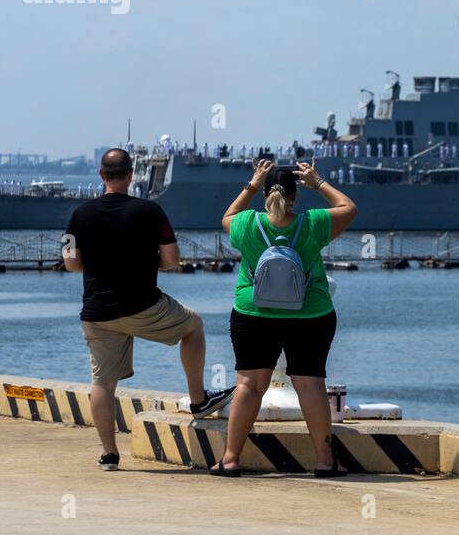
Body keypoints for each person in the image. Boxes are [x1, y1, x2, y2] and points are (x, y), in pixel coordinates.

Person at [63, 148, 234, 470]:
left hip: (97, 312)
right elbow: (172, 261)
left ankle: (109, 455)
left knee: (102, 383)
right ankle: (199, 399)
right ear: (131, 175)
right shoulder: (151, 211)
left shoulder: (79, 214)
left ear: (101, 175)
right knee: (193, 326)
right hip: (142, 305)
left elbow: (71, 263)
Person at [211, 159, 357, 477]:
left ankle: (231, 458)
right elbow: (348, 207)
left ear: (265, 193)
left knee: (249, 385)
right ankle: (324, 460)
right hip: (310, 313)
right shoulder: (314, 223)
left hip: (254, 313)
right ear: (295, 196)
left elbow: (227, 216)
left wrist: (252, 182)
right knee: (310, 383)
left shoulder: (246, 224)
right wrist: (317, 181)